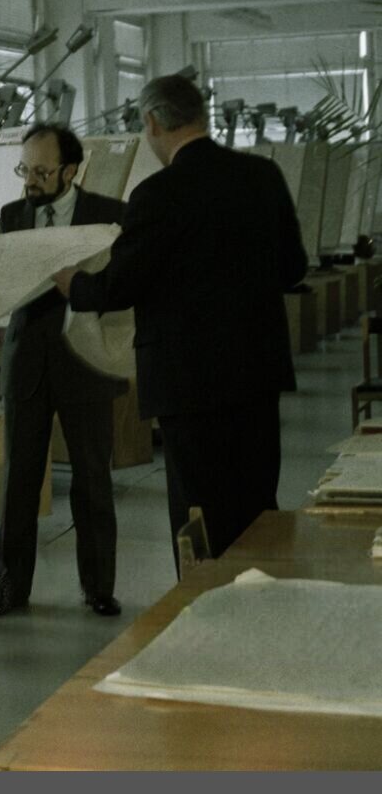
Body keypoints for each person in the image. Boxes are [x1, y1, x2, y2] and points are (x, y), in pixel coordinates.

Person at [53, 76, 308, 565]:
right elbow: (293, 268)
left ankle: (204, 603)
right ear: (201, 114)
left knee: (199, 515)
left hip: (187, 381)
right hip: (257, 370)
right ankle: (264, 594)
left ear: (152, 122)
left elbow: (120, 285)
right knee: (258, 508)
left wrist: (75, 284)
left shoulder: (157, 194)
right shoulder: (261, 176)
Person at [0, 124, 125, 619]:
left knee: (92, 479)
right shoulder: (12, 216)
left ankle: (99, 587)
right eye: (25, 169)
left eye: (42, 171)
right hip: (26, 361)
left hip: (86, 360)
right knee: (19, 480)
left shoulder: (109, 215)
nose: (31, 180)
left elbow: (121, 286)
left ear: (70, 171)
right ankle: (9, 588)